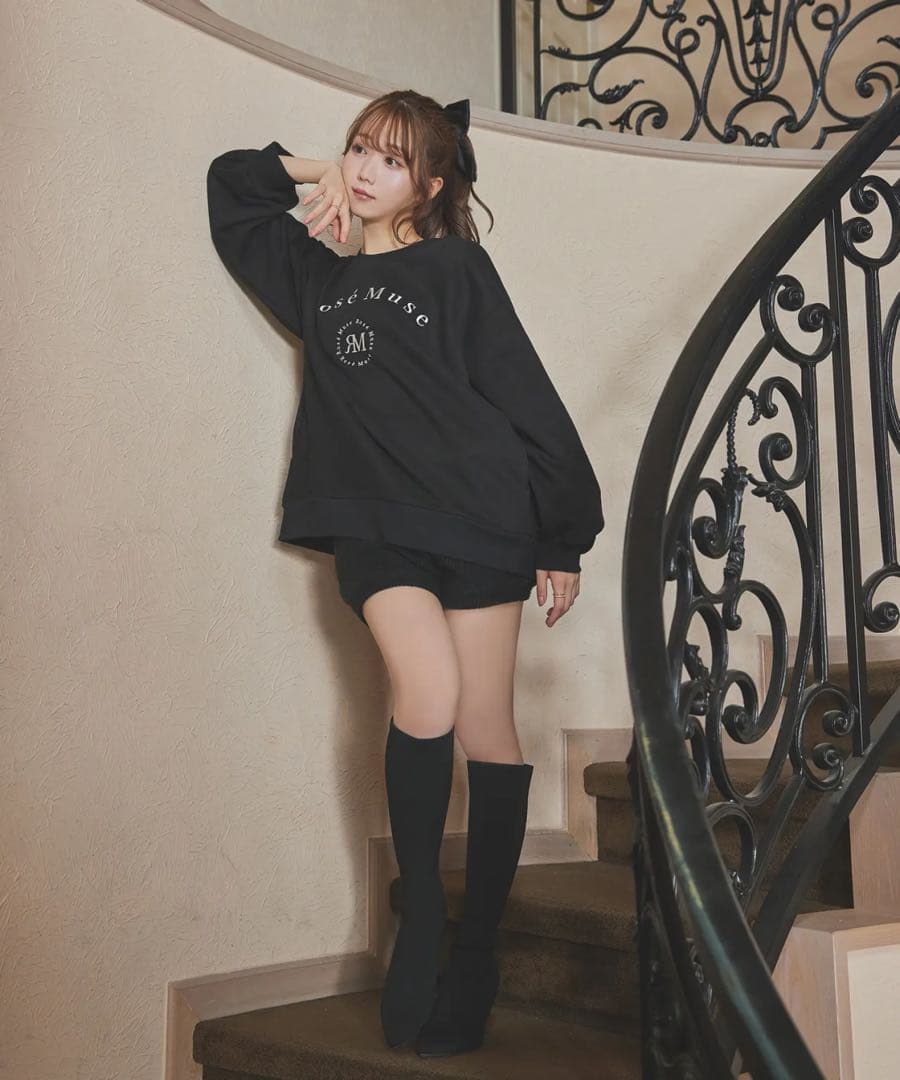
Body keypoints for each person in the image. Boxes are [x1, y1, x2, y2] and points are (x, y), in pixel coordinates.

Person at [206, 89, 604, 1059]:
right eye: (359, 148)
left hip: (483, 517)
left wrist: (562, 533)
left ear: (430, 184)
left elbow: (522, 391)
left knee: (485, 724)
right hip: (376, 525)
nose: (366, 167)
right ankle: (422, 917)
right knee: (424, 693)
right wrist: (317, 169)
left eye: (392, 158)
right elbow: (231, 186)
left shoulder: (458, 268)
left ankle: (479, 950)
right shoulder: (316, 276)